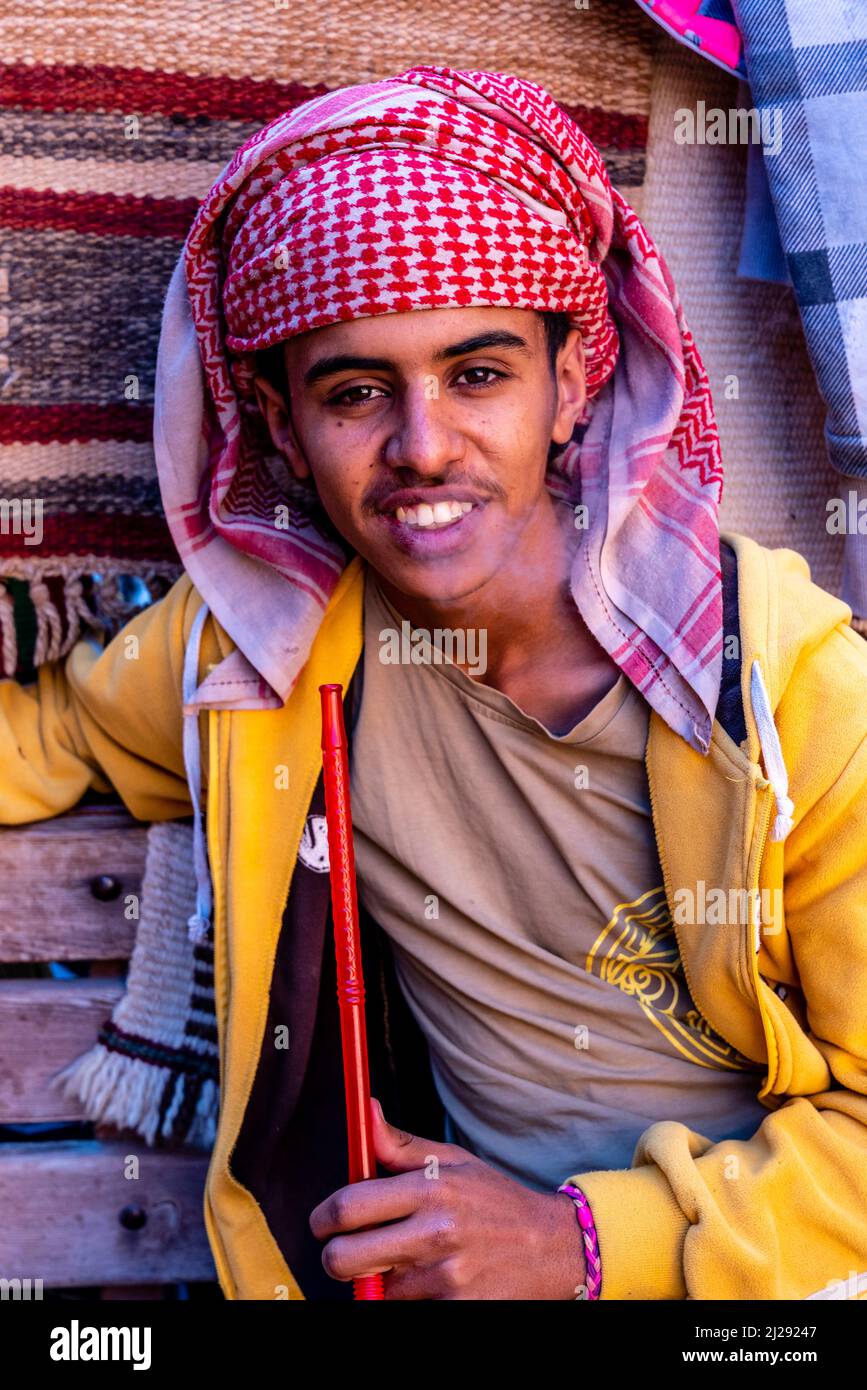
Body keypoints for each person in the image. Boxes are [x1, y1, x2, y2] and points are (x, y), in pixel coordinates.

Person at [3, 66, 867, 1301]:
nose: (421, 445)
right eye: (356, 391)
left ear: (572, 383)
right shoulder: (264, 657)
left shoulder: (795, 692)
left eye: (478, 374)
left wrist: (578, 1245)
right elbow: (52, 735)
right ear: (281, 427)